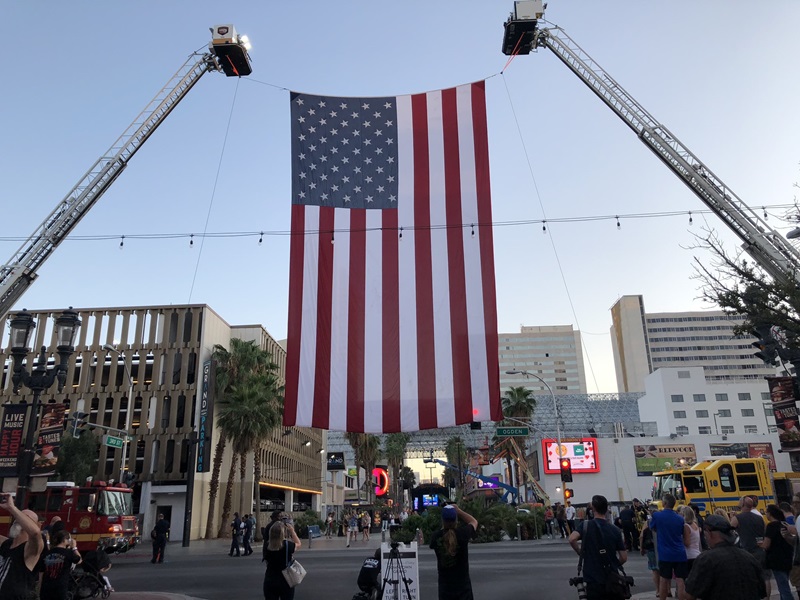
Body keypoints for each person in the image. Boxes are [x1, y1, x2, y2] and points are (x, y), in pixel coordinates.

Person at [683, 514, 767, 600]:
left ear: (709, 532)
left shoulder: (706, 559)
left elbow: (689, 595)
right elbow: (762, 592)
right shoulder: (749, 558)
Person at [568, 494, 627, 600]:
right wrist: (614, 564)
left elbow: (572, 539)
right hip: (612, 579)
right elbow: (623, 557)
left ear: (593, 509)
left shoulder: (585, 526)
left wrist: (580, 552)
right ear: (606, 510)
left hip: (593, 579)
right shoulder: (615, 530)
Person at [0, 494, 45, 600]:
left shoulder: (30, 549)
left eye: (25, 518)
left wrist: (12, 508)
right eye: (18, 516)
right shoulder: (7, 544)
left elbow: (35, 533)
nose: (18, 519)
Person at [429, 504, 478, 600]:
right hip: (463, 588)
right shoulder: (463, 534)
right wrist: (459, 511)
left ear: (442, 520)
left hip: (445, 589)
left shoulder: (436, 537)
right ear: (456, 520)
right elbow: (474, 522)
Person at [649, 493, 689, 600]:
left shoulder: (657, 516)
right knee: (681, 580)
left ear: (665, 503)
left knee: (664, 579)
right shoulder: (680, 518)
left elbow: (652, 528)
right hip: (680, 553)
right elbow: (682, 532)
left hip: (665, 553)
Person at [731, 495, 768, 597]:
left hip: (746, 552)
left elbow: (729, 531)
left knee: (748, 579)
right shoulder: (760, 518)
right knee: (762, 578)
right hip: (760, 551)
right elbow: (764, 532)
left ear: (742, 504)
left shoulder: (737, 518)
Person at [262, 514, 301, 600]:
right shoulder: (287, 545)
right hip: (285, 579)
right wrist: (292, 531)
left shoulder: (268, 546)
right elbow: (298, 544)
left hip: (270, 578)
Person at [761, 504, 794, 600]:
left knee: (783, 588)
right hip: (787, 557)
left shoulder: (771, 526)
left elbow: (766, 544)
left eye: (766, 512)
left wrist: (759, 545)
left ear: (770, 514)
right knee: (784, 584)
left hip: (776, 560)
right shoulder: (783, 524)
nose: (766, 514)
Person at [40, 530, 82, 600]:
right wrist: (74, 547)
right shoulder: (69, 553)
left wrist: (39, 588)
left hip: (46, 588)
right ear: (64, 540)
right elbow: (79, 560)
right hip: (60, 588)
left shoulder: (47, 553)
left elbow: (41, 572)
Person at [640, 505, 660, 594]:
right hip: (661, 547)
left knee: (654, 570)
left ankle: (658, 590)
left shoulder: (647, 522)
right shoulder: (662, 521)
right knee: (664, 570)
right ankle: (667, 590)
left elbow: (641, 536)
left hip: (651, 548)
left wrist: (641, 548)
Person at [682, 506, 701, 574]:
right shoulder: (695, 525)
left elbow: (687, 543)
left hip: (689, 555)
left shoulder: (686, 526)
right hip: (697, 553)